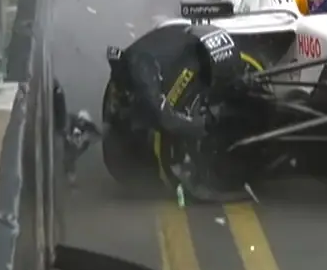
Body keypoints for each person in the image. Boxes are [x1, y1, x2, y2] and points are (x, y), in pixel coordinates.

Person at [108, 21, 260, 201]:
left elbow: (166, 119)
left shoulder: (143, 73)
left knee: (169, 114)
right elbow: (162, 117)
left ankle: (238, 92)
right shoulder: (132, 67)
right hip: (183, 47)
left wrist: (202, 125)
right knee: (165, 115)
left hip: (195, 51)